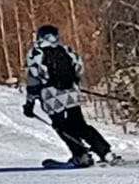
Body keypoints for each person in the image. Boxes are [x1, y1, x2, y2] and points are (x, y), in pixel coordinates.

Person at [23, 24, 111, 165]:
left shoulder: (36, 54)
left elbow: (33, 82)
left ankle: (81, 155)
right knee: (80, 125)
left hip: (51, 97)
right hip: (71, 94)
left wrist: (29, 104)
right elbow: (78, 70)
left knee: (61, 127)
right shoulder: (64, 50)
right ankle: (105, 152)